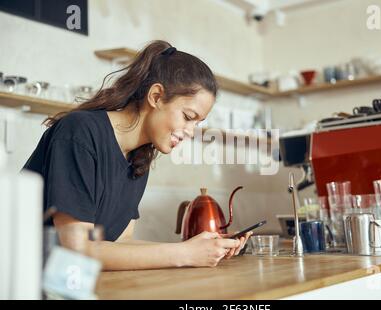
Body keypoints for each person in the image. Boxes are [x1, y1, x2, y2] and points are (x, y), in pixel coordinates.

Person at [23, 40, 251, 270]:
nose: (191, 132)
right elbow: (78, 249)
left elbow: (122, 241)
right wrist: (185, 254)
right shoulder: (80, 132)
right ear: (156, 96)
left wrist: (198, 248)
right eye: (188, 117)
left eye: (198, 123)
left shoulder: (139, 157)